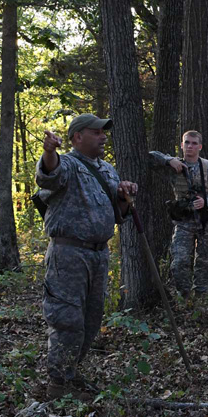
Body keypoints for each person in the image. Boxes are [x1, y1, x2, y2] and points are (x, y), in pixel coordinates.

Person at [36, 113, 138, 399]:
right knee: (67, 318)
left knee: (92, 319)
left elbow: (119, 214)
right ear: (77, 137)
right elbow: (49, 175)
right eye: (96, 132)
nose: (103, 136)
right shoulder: (66, 163)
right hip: (69, 255)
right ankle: (57, 386)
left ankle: (71, 373)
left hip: (98, 255)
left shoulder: (107, 169)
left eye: (103, 132)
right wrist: (48, 152)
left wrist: (124, 194)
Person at [148, 131, 208, 298]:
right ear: (181, 145)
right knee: (179, 261)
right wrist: (168, 159)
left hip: (207, 222)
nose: (190, 146)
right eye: (187, 143)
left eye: (194, 143)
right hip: (184, 222)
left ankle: (200, 298)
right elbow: (148, 157)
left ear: (200, 146)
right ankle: (184, 296)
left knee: (205, 262)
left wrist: (207, 201)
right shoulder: (174, 166)